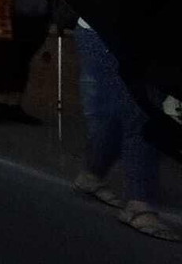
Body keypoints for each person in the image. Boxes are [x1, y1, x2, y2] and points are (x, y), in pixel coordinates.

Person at [71, 22, 178, 242]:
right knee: (139, 112)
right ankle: (139, 203)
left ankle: (92, 174)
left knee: (122, 114)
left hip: (138, 37)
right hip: (108, 31)